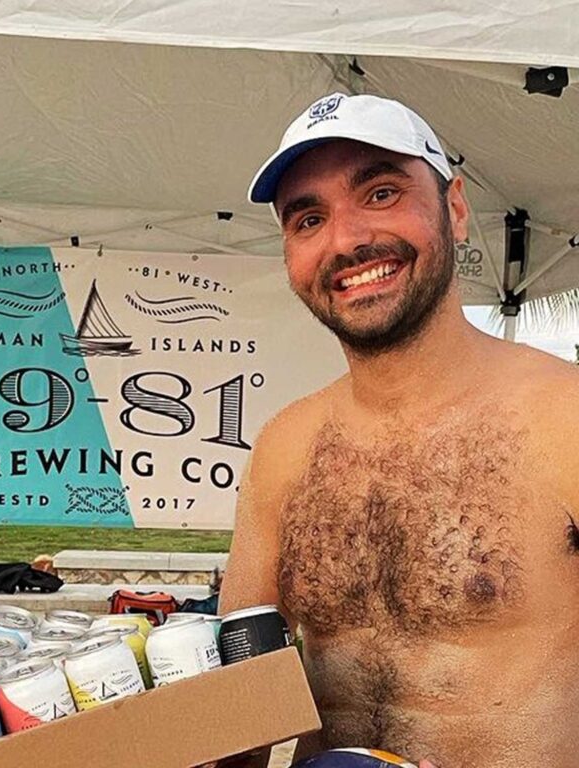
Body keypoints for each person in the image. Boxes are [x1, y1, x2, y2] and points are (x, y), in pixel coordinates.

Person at [220, 92, 579, 768]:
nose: (347, 239)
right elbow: (242, 699)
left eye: (381, 192)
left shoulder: (566, 419)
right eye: (308, 218)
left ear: (456, 208)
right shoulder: (285, 449)